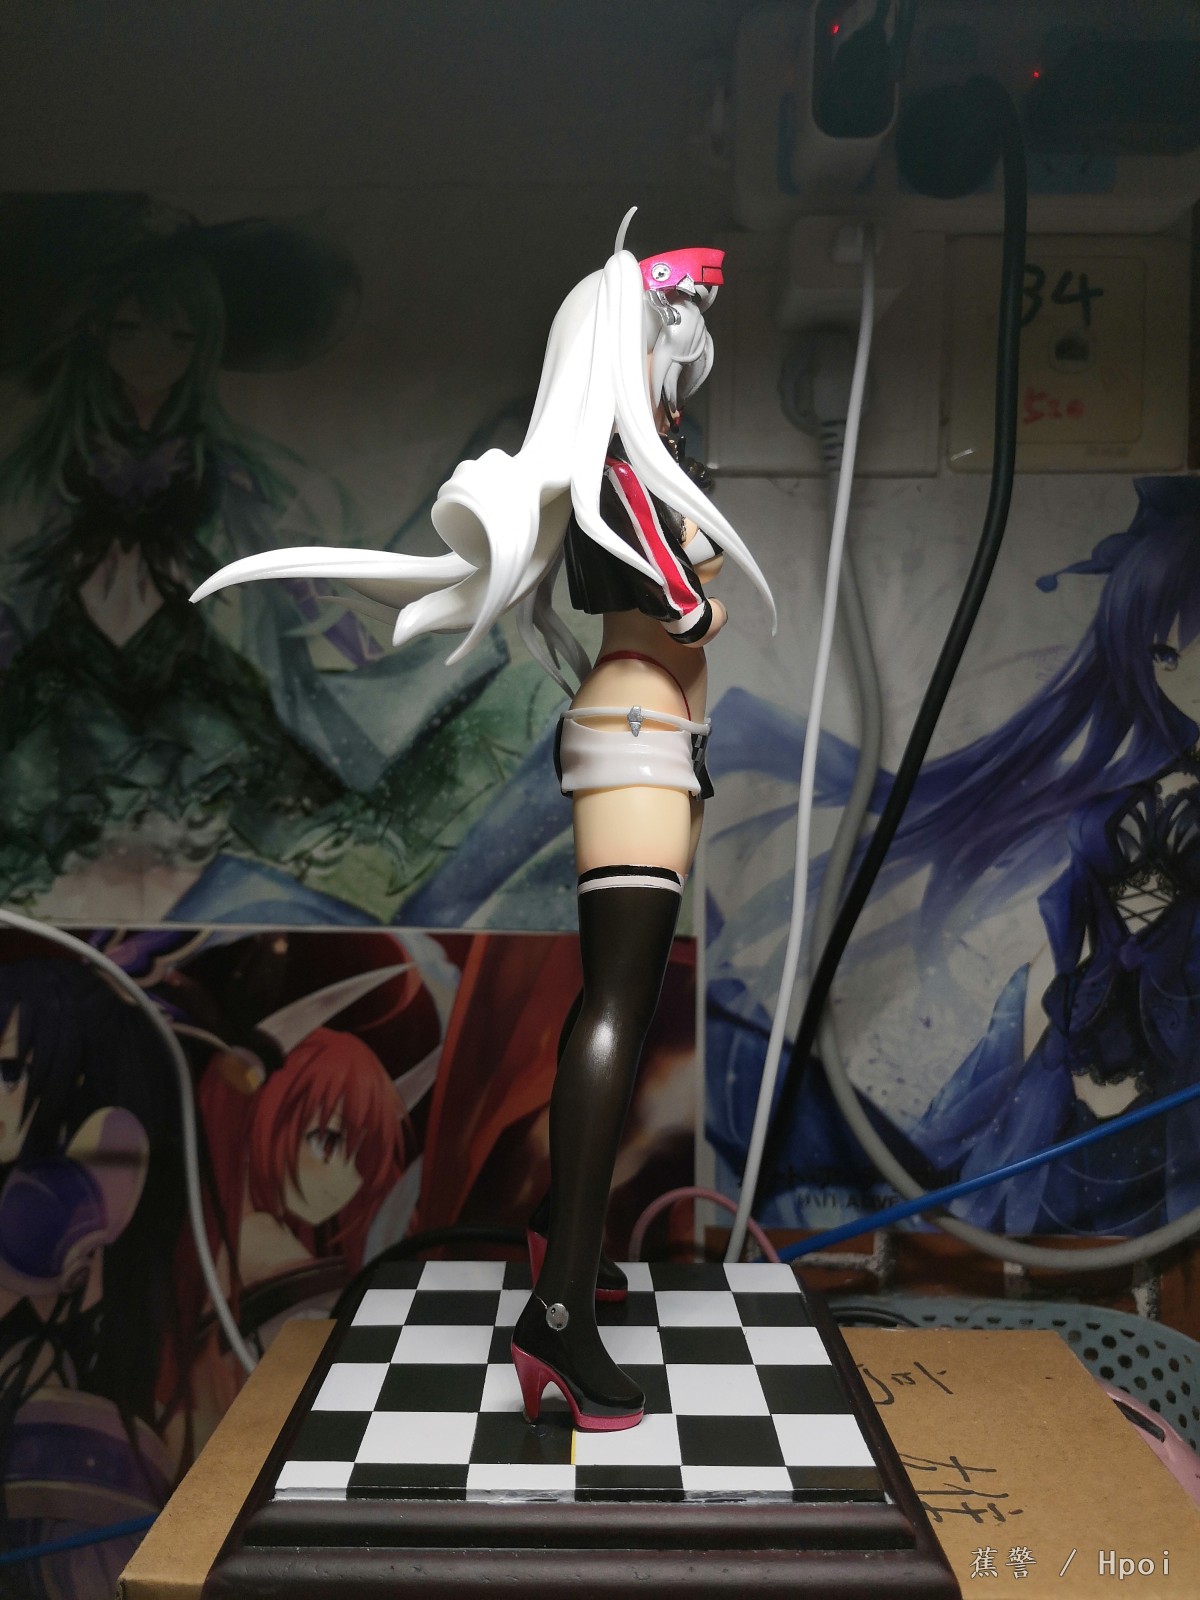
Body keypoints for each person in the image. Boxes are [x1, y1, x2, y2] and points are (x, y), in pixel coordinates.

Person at [192, 210, 775, 1429]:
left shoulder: (634, 457)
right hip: (637, 739)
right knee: (616, 1006)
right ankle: (558, 1313)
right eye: (680, 326)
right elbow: (688, 610)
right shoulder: (623, 469)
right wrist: (703, 576)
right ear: (638, 337)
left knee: (613, 1003)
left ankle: (566, 1251)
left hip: (645, 738)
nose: (691, 348)